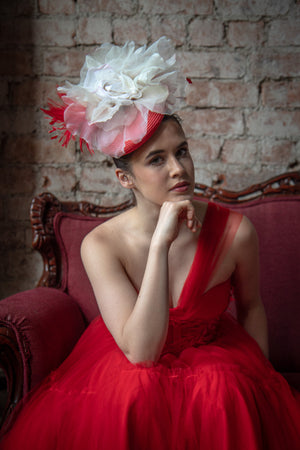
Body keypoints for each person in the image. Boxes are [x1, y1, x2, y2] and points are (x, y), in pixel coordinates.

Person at [1, 37, 300, 450]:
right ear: (126, 178)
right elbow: (142, 354)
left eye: (182, 152)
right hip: (129, 357)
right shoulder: (100, 244)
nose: (179, 169)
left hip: (217, 360)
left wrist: (261, 385)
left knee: (227, 394)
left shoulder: (237, 232)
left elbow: (251, 308)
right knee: (133, 395)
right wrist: (161, 243)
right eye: (156, 160)